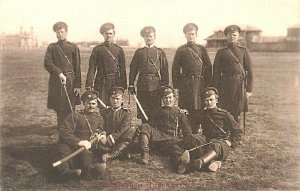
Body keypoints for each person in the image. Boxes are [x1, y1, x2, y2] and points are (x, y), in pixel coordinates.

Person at [138, 86, 206, 171]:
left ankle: (182, 165)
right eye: (165, 98)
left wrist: (185, 141)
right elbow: (150, 128)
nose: (168, 100)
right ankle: (145, 154)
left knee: (176, 150)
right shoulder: (157, 111)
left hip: (172, 141)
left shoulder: (180, 113)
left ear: (174, 98)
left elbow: (187, 131)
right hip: (158, 141)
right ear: (162, 99)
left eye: (170, 97)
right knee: (145, 126)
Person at [181, 87, 243, 172]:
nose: (209, 102)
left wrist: (230, 141)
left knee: (215, 145)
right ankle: (213, 163)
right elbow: (192, 119)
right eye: (206, 100)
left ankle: (200, 162)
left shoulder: (224, 114)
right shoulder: (202, 113)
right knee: (193, 138)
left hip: (221, 142)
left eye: (211, 100)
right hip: (207, 140)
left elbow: (238, 131)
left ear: (216, 100)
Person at [53, 90, 106, 181]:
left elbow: (100, 130)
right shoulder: (76, 115)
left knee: (86, 155)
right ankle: (65, 172)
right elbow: (64, 131)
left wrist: (99, 135)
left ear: (97, 104)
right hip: (72, 144)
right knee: (63, 150)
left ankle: (91, 171)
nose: (91, 106)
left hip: (87, 146)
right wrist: (79, 142)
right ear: (83, 103)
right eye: (88, 103)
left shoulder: (99, 118)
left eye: (93, 103)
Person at [172, 23, 212, 132]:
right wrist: (176, 86)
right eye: (188, 34)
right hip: (186, 84)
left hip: (200, 84)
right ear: (185, 35)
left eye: (193, 34)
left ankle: (196, 129)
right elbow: (175, 69)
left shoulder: (202, 49)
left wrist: (208, 85)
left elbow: (208, 67)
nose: (191, 36)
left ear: (196, 34)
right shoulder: (181, 50)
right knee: (186, 107)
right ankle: (186, 130)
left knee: (199, 107)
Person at [213, 25, 253, 123]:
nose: (232, 37)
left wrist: (249, 89)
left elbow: (250, 70)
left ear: (238, 36)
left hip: (239, 85)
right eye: (230, 35)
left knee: (237, 109)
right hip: (225, 85)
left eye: (234, 35)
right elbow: (216, 72)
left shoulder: (243, 51)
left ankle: (236, 132)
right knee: (225, 109)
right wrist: (215, 89)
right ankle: (226, 131)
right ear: (226, 36)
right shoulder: (221, 52)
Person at [44, 21, 81, 129]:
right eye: (57, 32)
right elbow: (48, 63)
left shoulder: (73, 47)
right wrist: (59, 73)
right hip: (57, 81)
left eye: (62, 31)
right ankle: (61, 129)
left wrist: (77, 85)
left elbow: (77, 67)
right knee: (59, 107)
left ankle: (70, 129)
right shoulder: (52, 47)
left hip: (70, 81)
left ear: (66, 32)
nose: (59, 34)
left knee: (70, 106)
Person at [128, 26, 169, 122]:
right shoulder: (139, 52)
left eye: (150, 36)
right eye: (146, 36)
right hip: (142, 84)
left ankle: (154, 129)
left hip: (156, 84)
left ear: (154, 37)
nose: (148, 38)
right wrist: (131, 84)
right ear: (143, 38)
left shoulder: (160, 52)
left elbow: (164, 70)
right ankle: (144, 130)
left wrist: (165, 85)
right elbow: (133, 69)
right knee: (143, 108)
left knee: (156, 108)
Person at [85, 23, 127, 105]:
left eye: (110, 33)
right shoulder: (97, 49)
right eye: (106, 33)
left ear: (114, 34)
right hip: (101, 81)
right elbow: (92, 68)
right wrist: (89, 84)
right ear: (103, 35)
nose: (108, 35)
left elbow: (122, 69)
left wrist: (123, 85)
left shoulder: (119, 50)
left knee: (115, 104)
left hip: (115, 81)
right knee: (103, 105)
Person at [97, 86, 136, 163]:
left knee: (132, 129)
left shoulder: (126, 113)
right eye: (113, 98)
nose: (115, 101)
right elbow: (100, 126)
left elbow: (123, 129)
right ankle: (122, 152)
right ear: (109, 99)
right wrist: (103, 136)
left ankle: (113, 154)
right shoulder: (104, 112)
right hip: (107, 140)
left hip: (120, 139)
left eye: (117, 98)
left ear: (122, 100)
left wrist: (112, 137)